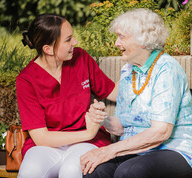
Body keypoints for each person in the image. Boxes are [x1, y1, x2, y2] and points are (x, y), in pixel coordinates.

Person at [81, 8, 192, 178]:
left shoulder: (166, 69)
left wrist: (108, 151)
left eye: (122, 37)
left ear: (144, 41)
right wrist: (101, 119)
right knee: (94, 171)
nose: (116, 43)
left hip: (176, 150)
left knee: (129, 172)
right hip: (137, 152)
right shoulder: (128, 71)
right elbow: (120, 126)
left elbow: (161, 132)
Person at [16, 13, 118, 178]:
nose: (75, 42)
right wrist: (88, 132)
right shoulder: (26, 80)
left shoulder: (81, 58)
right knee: (30, 171)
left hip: (87, 144)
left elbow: (113, 92)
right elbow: (42, 138)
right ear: (48, 49)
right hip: (48, 146)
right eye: (68, 39)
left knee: (71, 170)